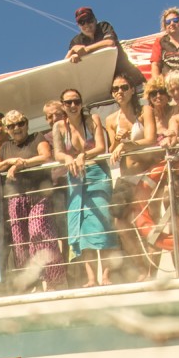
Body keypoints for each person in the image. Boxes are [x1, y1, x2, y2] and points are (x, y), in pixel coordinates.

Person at [51, 86, 113, 287]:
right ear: (62, 106)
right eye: (68, 102)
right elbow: (58, 153)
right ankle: (91, 278)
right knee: (82, 225)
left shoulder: (92, 119)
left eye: (76, 101)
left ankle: (106, 276)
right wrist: (68, 157)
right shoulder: (59, 126)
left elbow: (101, 147)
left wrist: (82, 155)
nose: (73, 105)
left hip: (97, 173)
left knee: (103, 221)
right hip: (76, 177)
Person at [0, 109, 56, 291]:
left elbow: (45, 156)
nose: (16, 128)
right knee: (19, 243)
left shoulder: (37, 137)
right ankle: (29, 283)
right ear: (7, 129)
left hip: (38, 195)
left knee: (39, 234)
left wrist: (23, 164)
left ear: (26, 124)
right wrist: (7, 163)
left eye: (20, 123)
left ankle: (49, 282)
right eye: (11, 126)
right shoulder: (6, 147)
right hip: (16, 199)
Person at [66, 6, 145, 89]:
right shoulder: (76, 41)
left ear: (95, 20)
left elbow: (110, 43)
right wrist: (72, 54)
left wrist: (86, 50)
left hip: (132, 79)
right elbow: (65, 65)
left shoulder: (103, 26)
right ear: (78, 25)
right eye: (81, 22)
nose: (86, 24)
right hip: (111, 86)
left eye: (89, 20)